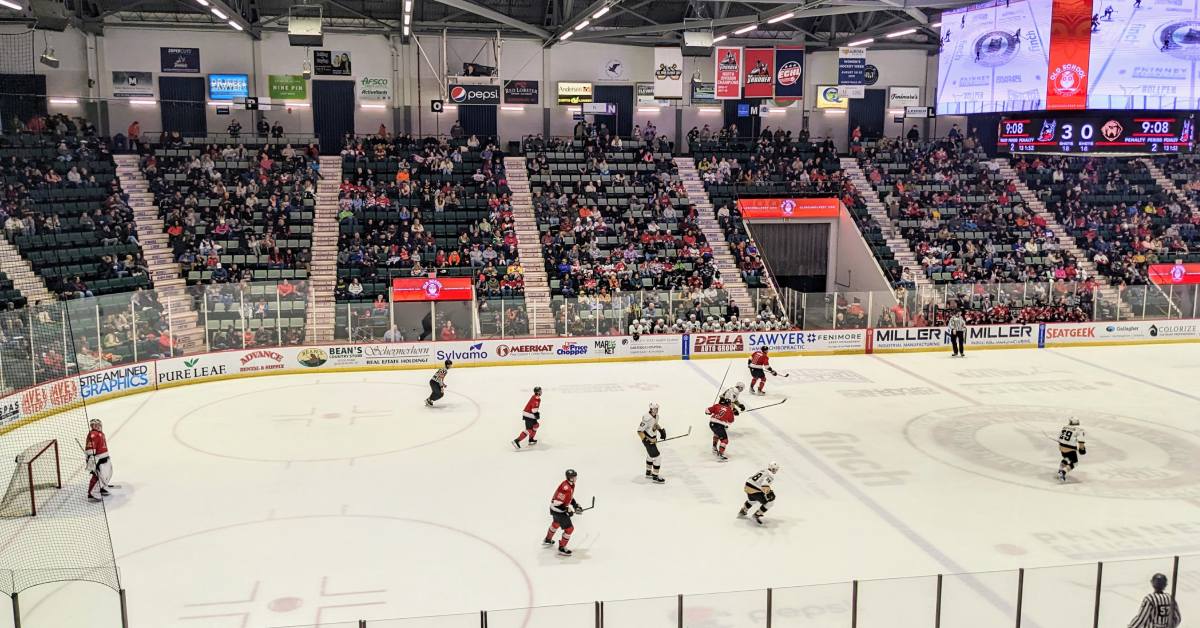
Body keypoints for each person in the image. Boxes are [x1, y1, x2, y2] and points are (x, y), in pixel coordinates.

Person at [544, 469, 584, 556]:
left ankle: (548, 539)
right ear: (570, 478)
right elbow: (557, 503)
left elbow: (570, 497)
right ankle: (562, 548)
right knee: (569, 529)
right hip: (558, 510)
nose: (575, 478)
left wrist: (575, 505)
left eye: (575, 476)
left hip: (555, 510)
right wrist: (567, 510)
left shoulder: (570, 485)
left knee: (556, 523)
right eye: (573, 477)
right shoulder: (565, 488)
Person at [637, 402, 668, 483]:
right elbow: (639, 431)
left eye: (657, 409)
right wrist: (645, 440)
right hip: (648, 442)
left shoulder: (656, 416)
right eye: (655, 409)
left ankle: (648, 472)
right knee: (658, 458)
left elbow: (655, 425)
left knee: (650, 456)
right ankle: (655, 476)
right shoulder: (646, 418)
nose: (656, 410)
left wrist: (661, 431)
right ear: (651, 409)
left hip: (653, 441)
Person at [85, 418, 113, 502]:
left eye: (98, 425)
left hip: (104, 457)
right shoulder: (93, 434)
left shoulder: (101, 434)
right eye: (95, 425)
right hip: (97, 459)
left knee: (108, 473)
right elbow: (90, 449)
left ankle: (101, 488)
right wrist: (92, 461)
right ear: (92, 426)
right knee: (98, 475)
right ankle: (92, 493)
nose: (97, 426)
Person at [1057, 417, 1086, 481]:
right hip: (1069, 449)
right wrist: (1082, 449)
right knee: (1075, 463)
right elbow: (1081, 442)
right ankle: (1063, 472)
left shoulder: (1064, 427)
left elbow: (1059, 438)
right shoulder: (1079, 430)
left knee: (1067, 459)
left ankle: (1060, 470)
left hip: (1061, 447)